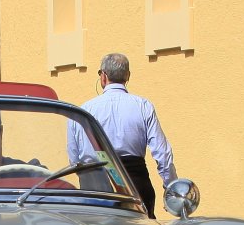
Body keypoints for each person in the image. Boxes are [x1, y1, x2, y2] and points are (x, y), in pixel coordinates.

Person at [66, 53, 177, 216]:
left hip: (95, 189)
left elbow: (74, 160)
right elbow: (162, 153)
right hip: (135, 186)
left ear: (103, 76)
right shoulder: (143, 106)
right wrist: (171, 188)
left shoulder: (83, 111)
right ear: (128, 76)